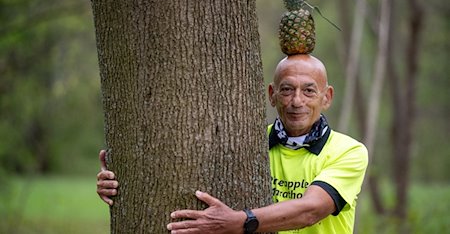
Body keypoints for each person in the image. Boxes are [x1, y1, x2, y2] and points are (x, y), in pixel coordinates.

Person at [96, 54, 368, 234]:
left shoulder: (348, 151)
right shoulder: (250, 142)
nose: (297, 101)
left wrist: (239, 221)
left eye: (309, 90)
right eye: (287, 89)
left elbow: (311, 209)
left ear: (327, 97)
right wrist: (125, 181)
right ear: (272, 95)